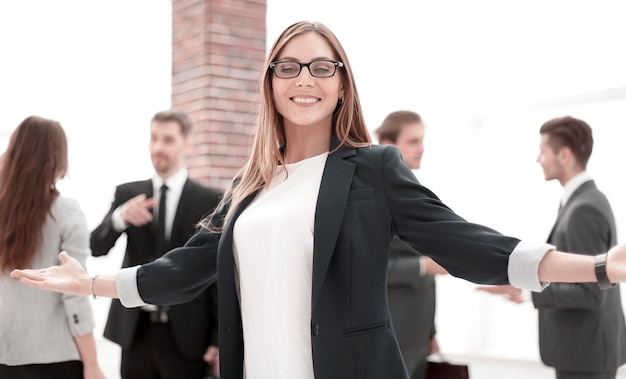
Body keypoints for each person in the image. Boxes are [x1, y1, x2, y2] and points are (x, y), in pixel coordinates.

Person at [10, 21, 626, 379]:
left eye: (322, 67)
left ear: (341, 84)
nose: (306, 78)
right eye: (290, 67)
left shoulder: (374, 169)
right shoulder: (248, 188)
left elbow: (467, 244)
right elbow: (181, 270)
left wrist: (598, 267)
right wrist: (89, 285)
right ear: (271, 83)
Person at [478, 116, 626, 379]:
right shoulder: (583, 201)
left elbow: (591, 291)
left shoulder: (584, 209)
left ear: (565, 155)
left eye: (543, 151)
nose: (538, 159)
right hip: (587, 352)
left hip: (585, 355)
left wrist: (525, 292)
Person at [89, 110, 222, 378]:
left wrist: (217, 337)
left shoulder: (210, 199)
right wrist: (119, 218)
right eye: (154, 138)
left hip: (187, 334)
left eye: (168, 140)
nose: (158, 147)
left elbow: (216, 273)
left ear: (187, 144)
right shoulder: (127, 193)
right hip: (135, 330)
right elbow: (96, 246)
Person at [0, 116, 105, 379]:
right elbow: (75, 292)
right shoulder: (66, 212)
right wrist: (92, 363)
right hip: (54, 357)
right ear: (57, 158)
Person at [375, 110, 447, 379]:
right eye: (413, 141)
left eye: (422, 140)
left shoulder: (412, 190)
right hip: (393, 332)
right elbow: (369, 267)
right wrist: (422, 265)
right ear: (387, 144)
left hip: (417, 335)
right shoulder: (376, 196)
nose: (422, 148)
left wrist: (431, 332)